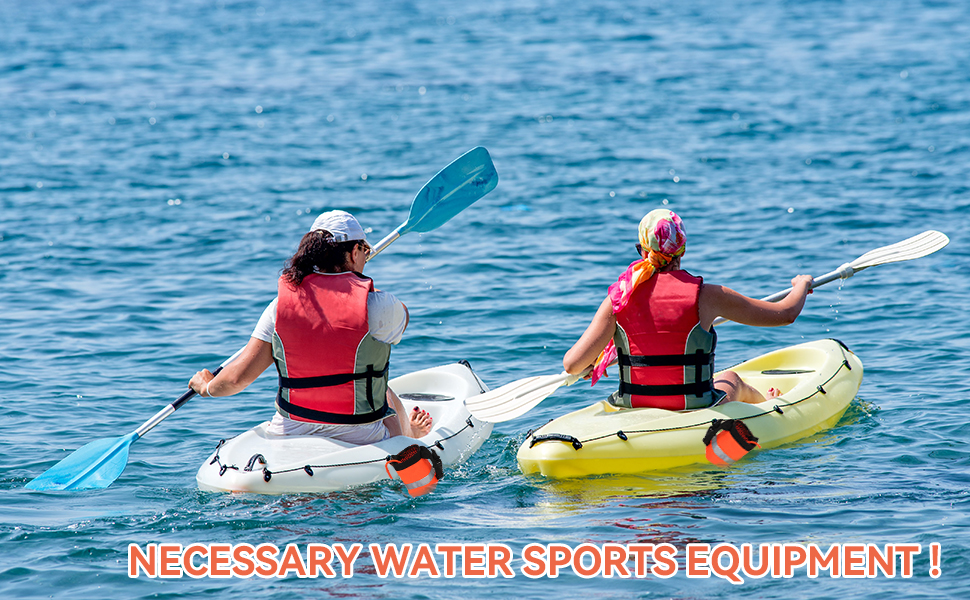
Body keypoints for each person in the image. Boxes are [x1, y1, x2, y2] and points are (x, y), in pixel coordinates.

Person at [188, 210, 432, 443]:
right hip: (361, 434)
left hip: (291, 429)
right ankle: (409, 434)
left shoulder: (278, 307)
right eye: (364, 250)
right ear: (355, 251)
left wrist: (206, 386)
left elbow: (235, 380)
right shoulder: (379, 305)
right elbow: (404, 318)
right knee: (383, 391)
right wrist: (359, 285)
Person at [562, 208, 814, 409]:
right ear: (682, 249)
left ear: (642, 250)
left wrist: (595, 361)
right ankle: (768, 407)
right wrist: (801, 285)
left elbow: (572, 365)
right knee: (733, 380)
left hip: (634, 404)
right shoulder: (708, 296)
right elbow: (786, 314)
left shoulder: (619, 298)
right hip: (695, 406)